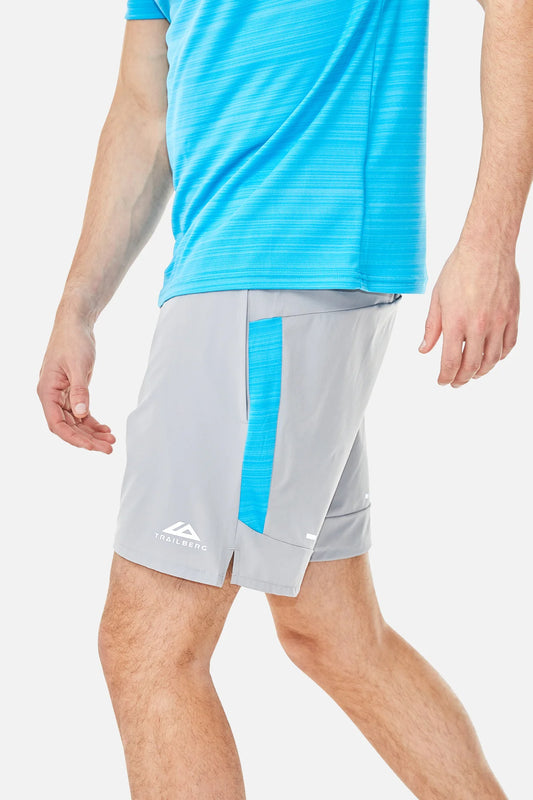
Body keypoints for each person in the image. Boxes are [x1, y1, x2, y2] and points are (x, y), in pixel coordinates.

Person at [36, 0, 530, 796]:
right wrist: (77, 306)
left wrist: (489, 239)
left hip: (273, 269)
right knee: (331, 632)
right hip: (249, 281)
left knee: (150, 649)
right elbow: (143, 106)